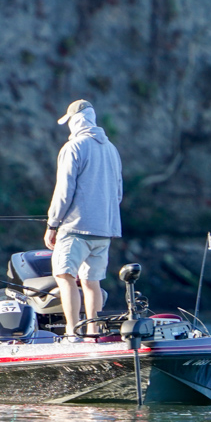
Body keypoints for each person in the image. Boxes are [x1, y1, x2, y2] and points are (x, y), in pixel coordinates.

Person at [44, 99, 123, 339]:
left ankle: (72, 333)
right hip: (105, 230)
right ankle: (93, 333)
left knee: (65, 277)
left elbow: (64, 191)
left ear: (76, 121)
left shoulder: (73, 147)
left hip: (75, 229)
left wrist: (52, 224)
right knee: (92, 282)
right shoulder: (112, 149)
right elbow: (118, 193)